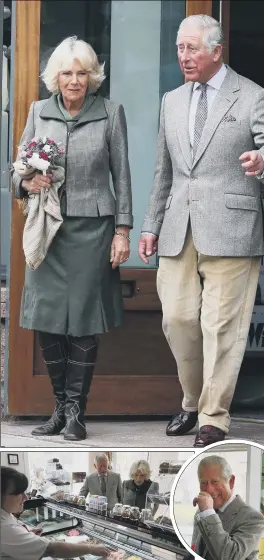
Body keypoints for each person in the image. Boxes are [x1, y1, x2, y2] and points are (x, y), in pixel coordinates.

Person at [138, 15, 264, 447]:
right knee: (179, 319)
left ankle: (213, 417)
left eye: (192, 49)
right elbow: (162, 171)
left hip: (233, 226)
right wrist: (150, 226)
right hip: (177, 228)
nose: (183, 56)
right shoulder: (171, 101)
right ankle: (192, 399)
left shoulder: (253, 96)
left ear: (216, 51)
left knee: (222, 327)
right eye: (179, 48)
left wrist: (263, 162)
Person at [12, 36, 133, 441]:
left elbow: (123, 175)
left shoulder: (111, 112)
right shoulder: (37, 111)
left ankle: (76, 413)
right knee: (46, 319)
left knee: (82, 321)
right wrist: (28, 179)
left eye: (82, 73)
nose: (75, 80)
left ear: (92, 76)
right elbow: (16, 170)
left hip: (92, 229)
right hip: (48, 230)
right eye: (67, 72)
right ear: (56, 77)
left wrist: (122, 230)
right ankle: (60, 408)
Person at [1, 466, 111, 560]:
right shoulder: (4, 528)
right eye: (18, 493)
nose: (26, 497)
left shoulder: (5, 514)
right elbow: (50, 549)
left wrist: (27, 533)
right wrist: (91, 548)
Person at [191, 456, 264, 560]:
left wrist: (207, 513)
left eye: (215, 482)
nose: (209, 489)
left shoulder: (252, 518)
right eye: (203, 483)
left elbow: (229, 558)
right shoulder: (202, 511)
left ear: (231, 481)